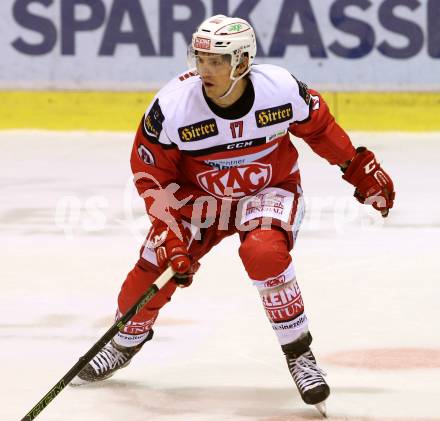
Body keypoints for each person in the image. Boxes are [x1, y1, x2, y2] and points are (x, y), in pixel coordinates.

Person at [72, 15, 395, 415]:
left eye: (216, 61)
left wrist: (356, 166)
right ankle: (125, 341)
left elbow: (320, 128)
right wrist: (169, 234)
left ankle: (299, 356)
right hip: (196, 199)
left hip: (267, 189)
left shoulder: (280, 89)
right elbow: (151, 173)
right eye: (200, 59)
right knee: (155, 266)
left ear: (242, 62)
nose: (203, 70)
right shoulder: (173, 107)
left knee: (265, 253)